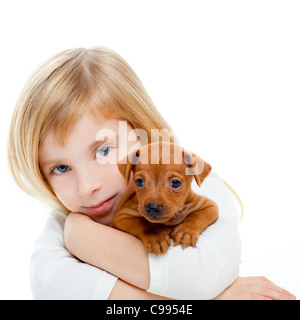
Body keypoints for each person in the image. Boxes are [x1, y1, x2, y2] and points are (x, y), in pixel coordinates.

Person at [8, 47, 295, 300]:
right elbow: (50, 288)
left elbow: (201, 278)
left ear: (144, 135)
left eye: (104, 151)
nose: (87, 187)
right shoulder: (61, 229)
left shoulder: (198, 186)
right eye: (61, 168)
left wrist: (84, 240)